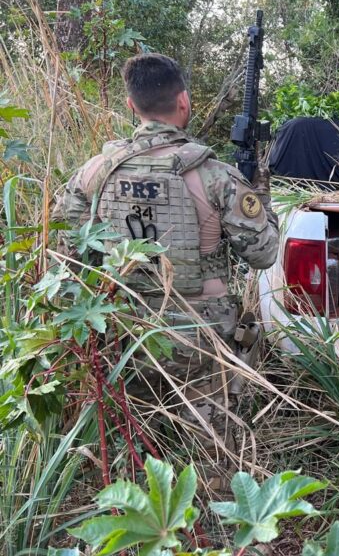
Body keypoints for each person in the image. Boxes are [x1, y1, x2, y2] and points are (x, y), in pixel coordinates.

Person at [51, 53, 280, 484]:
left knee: (132, 439)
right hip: (201, 333)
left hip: (124, 329)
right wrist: (262, 199)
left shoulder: (95, 171)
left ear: (131, 106)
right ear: (184, 102)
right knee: (209, 448)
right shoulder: (215, 175)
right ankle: (208, 519)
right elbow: (264, 254)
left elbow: (68, 250)